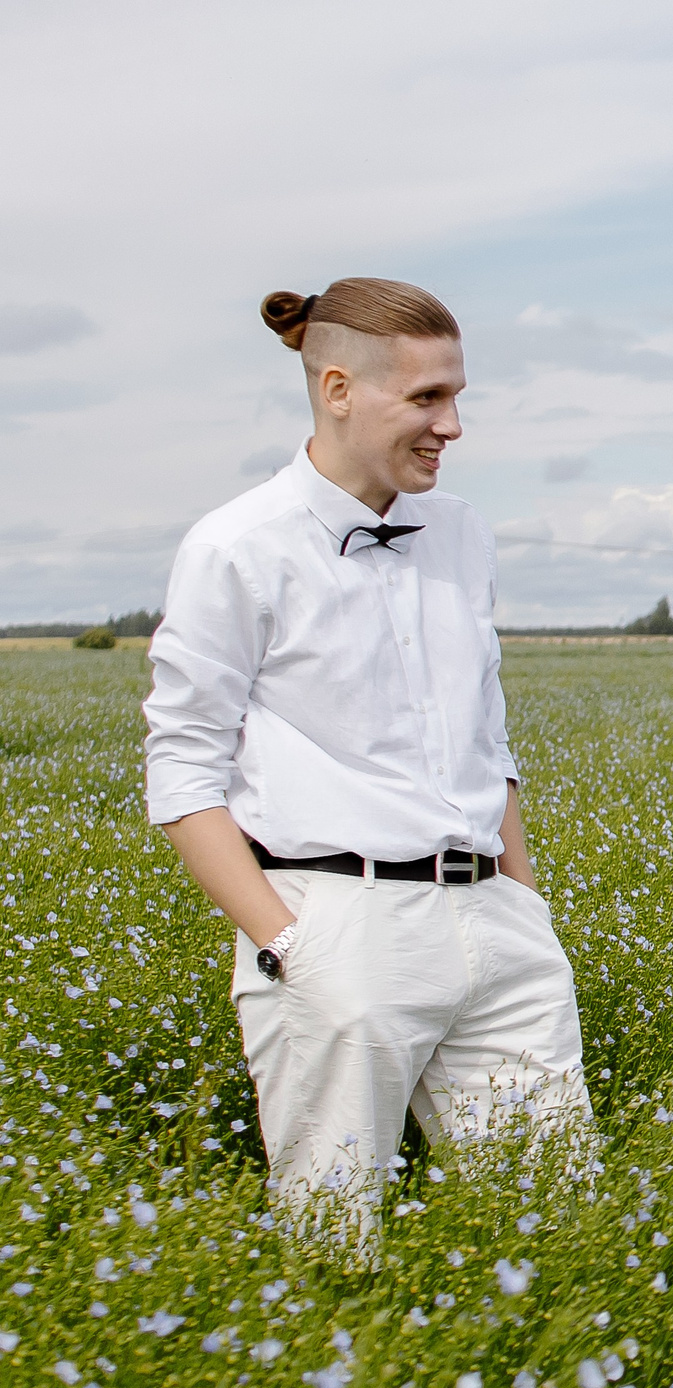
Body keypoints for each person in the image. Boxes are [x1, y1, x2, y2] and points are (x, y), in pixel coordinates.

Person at [144, 278, 589, 1245]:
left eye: (457, 396)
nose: (454, 425)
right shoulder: (235, 547)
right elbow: (183, 776)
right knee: (334, 1243)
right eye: (427, 398)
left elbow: (487, 734)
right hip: (334, 926)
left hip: (493, 926)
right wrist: (289, 946)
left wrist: (524, 902)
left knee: (552, 1233)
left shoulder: (462, 533)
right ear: (338, 388)